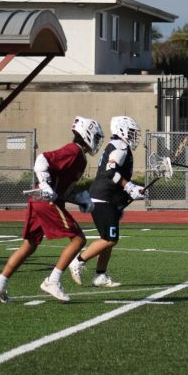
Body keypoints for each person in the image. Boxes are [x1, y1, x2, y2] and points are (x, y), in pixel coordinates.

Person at [0, 117, 103, 303]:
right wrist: (44, 184)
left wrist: (79, 199)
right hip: (45, 201)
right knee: (79, 239)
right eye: (96, 137)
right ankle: (52, 281)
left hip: (41, 200)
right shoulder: (73, 151)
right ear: (86, 134)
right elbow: (42, 159)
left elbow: (63, 189)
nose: (97, 141)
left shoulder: (80, 157)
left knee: (30, 245)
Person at [69, 116, 145, 288]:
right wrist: (129, 186)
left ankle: (100, 275)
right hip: (102, 197)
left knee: (108, 239)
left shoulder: (117, 145)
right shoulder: (121, 147)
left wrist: (129, 191)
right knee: (110, 239)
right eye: (132, 132)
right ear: (122, 130)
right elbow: (111, 171)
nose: (134, 136)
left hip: (107, 197)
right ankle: (78, 261)